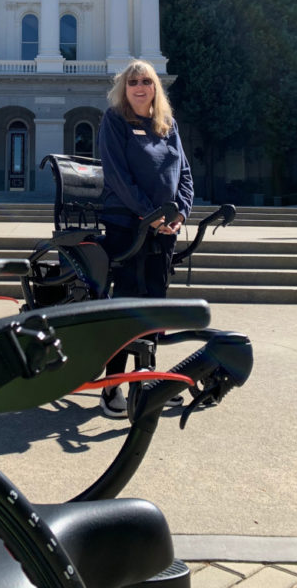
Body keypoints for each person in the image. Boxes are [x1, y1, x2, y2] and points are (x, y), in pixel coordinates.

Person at [97, 60, 194, 418]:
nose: (140, 87)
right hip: (127, 226)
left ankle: (148, 381)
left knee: (154, 306)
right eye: (133, 81)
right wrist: (149, 215)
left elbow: (184, 173)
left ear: (156, 87)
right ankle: (112, 389)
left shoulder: (168, 125)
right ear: (124, 88)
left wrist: (180, 213)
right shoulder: (115, 121)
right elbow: (118, 177)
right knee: (126, 304)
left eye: (147, 81)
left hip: (164, 229)